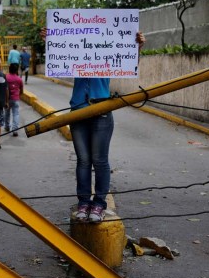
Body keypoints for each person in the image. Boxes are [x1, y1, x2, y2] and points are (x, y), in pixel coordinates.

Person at [40, 28, 145, 223]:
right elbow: (58, 56)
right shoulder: (77, 55)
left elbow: (128, 64)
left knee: (99, 160)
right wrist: (50, 40)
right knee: (83, 160)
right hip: (78, 111)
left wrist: (137, 46)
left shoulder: (107, 56)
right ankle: (83, 203)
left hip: (102, 112)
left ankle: (99, 204)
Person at [4, 63, 23, 136]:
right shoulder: (19, 79)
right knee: (16, 114)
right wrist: (18, 95)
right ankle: (15, 130)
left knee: (6, 113)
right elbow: (21, 91)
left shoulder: (6, 77)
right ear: (16, 70)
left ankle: (7, 127)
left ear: (9, 69)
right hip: (15, 99)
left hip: (7, 99)